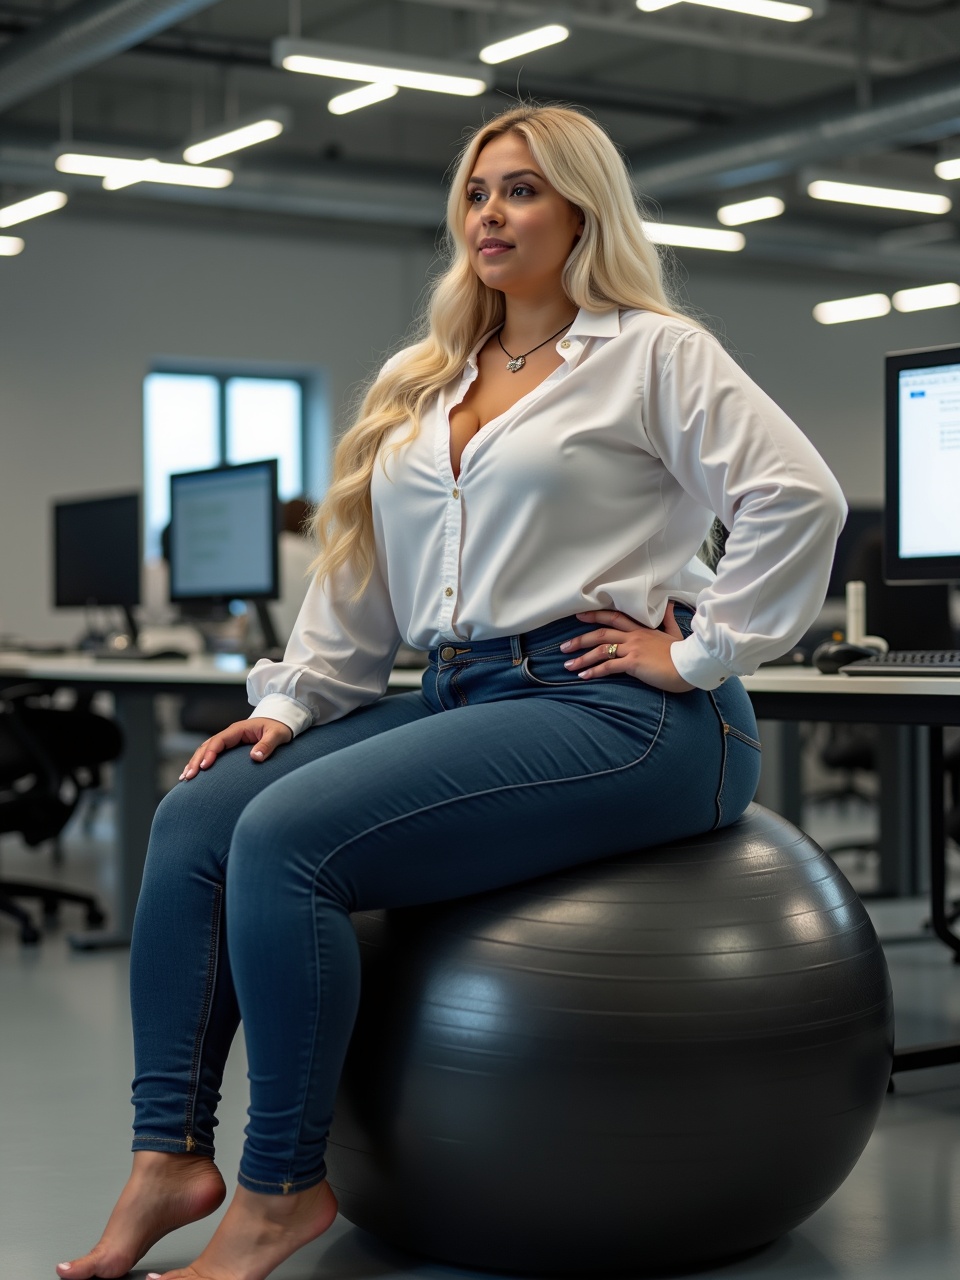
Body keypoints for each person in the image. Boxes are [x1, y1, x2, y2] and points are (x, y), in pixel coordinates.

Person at [58, 103, 846, 1280]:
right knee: (202, 812)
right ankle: (166, 1153)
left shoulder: (652, 352)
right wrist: (293, 703)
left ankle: (281, 1187)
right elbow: (362, 574)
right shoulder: (424, 382)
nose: (491, 213)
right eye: (477, 193)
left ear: (583, 208)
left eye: (522, 189)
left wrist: (696, 653)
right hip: (464, 693)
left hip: (628, 714)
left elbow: (801, 496)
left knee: (286, 840)